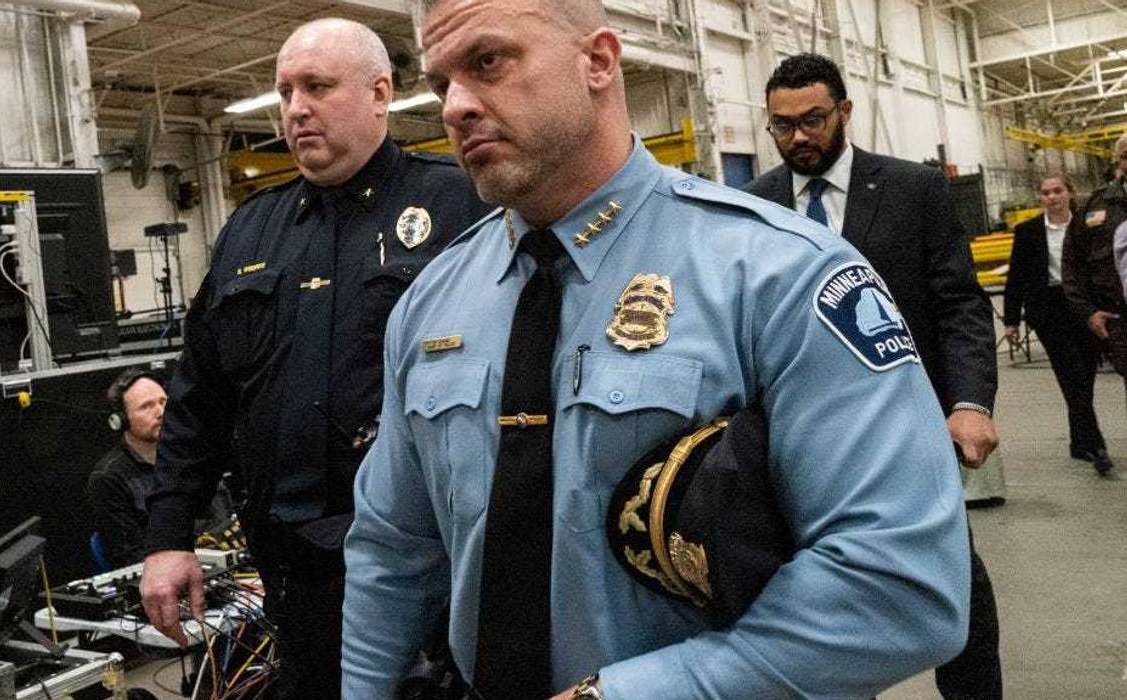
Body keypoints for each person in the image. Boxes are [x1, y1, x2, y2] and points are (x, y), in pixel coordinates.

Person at [341, 2, 971, 698]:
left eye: (488, 62)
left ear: (599, 61)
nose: (456, 106)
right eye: (440, 84)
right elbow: (392, 550)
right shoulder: (432, 303)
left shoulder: (778, 274)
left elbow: (901, 586)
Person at [138, 17, 491, 698]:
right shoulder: (250, 227)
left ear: (380, 93)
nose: (296, 109)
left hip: (431, 565)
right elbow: (200, 395)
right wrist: (167, 535)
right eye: (285, 91)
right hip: (292, 573)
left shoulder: (459, 204)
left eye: (318, 87)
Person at [745, 52, 1003, 700]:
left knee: (955, 592)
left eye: (812, 119)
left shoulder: (912, 189)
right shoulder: (752, 205)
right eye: (781, 125)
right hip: (798, 448)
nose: (798, 137)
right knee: (823, 612)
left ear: (845, 112)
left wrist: (969, 401)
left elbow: (958, 303)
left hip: (910, 435)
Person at [1007, 175, 1115, 476]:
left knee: (1085, 376)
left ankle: (1079, 442)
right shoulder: (1027, 232)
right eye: (1045, 192)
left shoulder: (1086, 225)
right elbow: (1016, 277)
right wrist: (1012, 320)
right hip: (1049, 310)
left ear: (1069, 193)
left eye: (1057, 191)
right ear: (1039, 198)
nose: (1051, 197)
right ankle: (1097, 446)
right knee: (1072, 376)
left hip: (1083, 306)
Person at [87, 368, 234, 567]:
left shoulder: (192, 455)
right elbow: (129, 556)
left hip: (217, 565)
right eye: (146, 406)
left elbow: (224, 519)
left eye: (163, 402)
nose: (161, 412)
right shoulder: (109, 478)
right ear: (120, 420)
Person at [1067, 135, 1127, 425]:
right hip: (1121, 318)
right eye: (1126, 155)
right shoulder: (1097, 206)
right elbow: (1073, 264)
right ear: (1118, 162)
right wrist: (1088, 312)